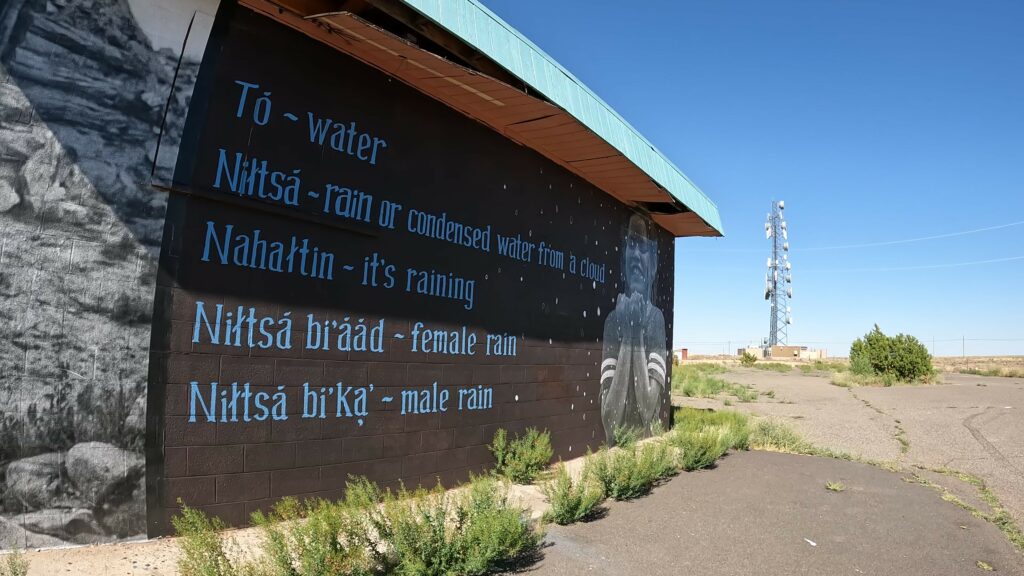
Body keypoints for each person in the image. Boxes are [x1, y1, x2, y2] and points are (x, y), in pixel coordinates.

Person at [599, 213, 668, 446]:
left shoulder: (655, 319)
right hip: (614, 451)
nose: (636, 254)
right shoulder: (611, 321)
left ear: (654, 263)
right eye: (631, 244)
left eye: (644, 246)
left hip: (643, 448)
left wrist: (634, 332)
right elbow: (609, 420)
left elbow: (647, 408)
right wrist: (629, 330)